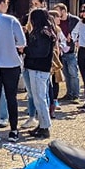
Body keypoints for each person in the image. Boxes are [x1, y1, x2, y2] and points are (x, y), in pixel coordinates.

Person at [0, 0, 26, 141]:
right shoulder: (11, 20)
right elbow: (22, 42)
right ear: (3, 3)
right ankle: (14, 130)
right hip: (11, 63)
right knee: (12, 97)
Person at [21, 8, 57, 139]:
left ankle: (45, 126)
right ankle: (42, 124)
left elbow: (41, 52)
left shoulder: (42, 32)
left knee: (39, 98)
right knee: (38, 98)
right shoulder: (45, 31)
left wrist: (25, 49)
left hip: (38, 68)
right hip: (37, 68)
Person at [53, 3, 80, 103]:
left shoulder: (74, 20)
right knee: (66, 74)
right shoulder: (55, 21)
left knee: (73, 73)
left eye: (58, 10)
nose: (56, 13)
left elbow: (80, 33)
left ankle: (75, 94)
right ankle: (69, 94)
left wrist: (74, 40)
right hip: (60, 50)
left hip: (71, 50)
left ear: (63, 11)